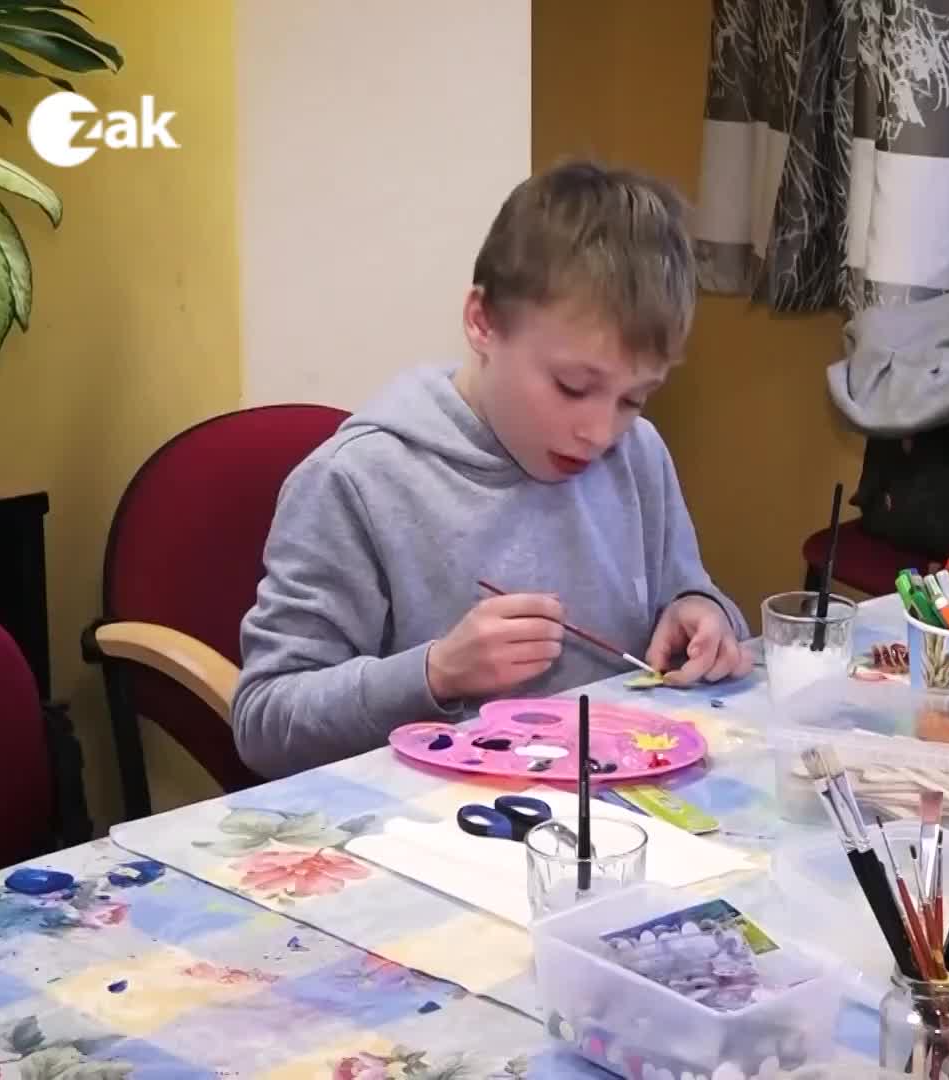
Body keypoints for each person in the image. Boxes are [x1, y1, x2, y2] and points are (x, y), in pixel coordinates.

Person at [232, 161, 753, 778]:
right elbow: (264, 722)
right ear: (482, 322)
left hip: (618, 805)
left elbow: (687, 592)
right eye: (572, 385)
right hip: (437, 820)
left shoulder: (637, 453)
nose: (599, 431)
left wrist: (704, 615)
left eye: (634, 398)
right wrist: (436, 673)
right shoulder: (356, 481)